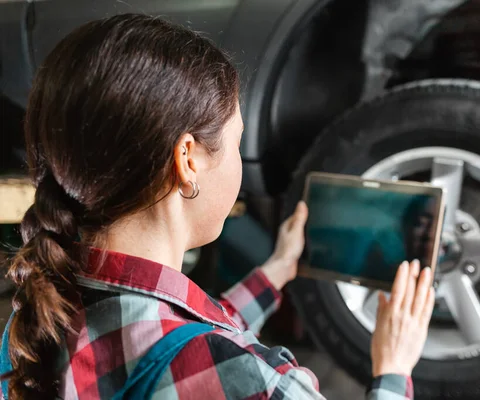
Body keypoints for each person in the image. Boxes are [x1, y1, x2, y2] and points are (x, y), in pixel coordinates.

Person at [0, 14, 435, 400]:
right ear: (187, 160)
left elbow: (172, 332)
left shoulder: (31, 328)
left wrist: (277, 269)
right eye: (237, 143)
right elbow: (199, 352)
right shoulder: (258, 381)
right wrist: (392, 372)